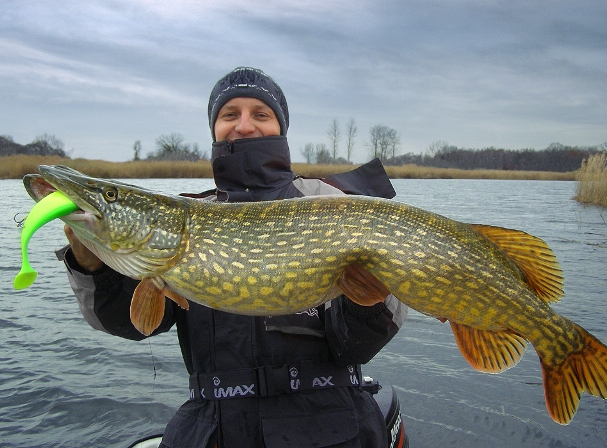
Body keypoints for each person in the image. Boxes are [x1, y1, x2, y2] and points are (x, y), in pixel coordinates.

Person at [58, 67, 408, 448]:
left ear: (280, 127)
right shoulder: (188, 219)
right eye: (229, 114)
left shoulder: (328, 203)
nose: (243, 126)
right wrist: (91, 266)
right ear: (214, 129)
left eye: (260, 113)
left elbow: (354, 346)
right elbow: (131, 323)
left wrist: (369, 296)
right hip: (214, 430)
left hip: (327, 426)